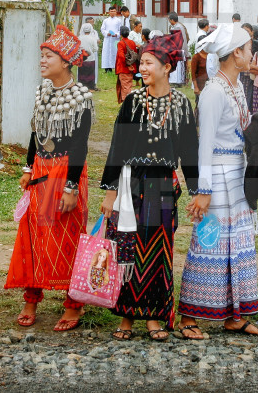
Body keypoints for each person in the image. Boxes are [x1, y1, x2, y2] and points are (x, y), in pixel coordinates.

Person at [100, 30, 199, 341]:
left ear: (167, 67)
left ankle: (154, 317)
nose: (141, 69)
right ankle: (126, 319)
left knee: (159, 250)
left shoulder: (182, 104)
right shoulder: (132, 101)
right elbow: (117, 148)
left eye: (147, 63)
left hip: (163, 186)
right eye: (140, 64)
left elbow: (190, 153)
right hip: (132, 183)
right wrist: (111, 191)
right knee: (127, 250)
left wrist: (197, 192)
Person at [178, 23, 258, 338]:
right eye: (249, 47)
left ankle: (234, 315)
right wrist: (203, 190)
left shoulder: (238, 85)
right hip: (217, 174)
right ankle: (189, 316)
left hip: (237, 175)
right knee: (210, 241)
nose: (253, 52)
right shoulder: (214, 91)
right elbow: (204, 143)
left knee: (237, 244)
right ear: (235, 53)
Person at [6, 25, 92, 332]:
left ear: (66, 62)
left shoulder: (80, 97)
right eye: (41, 56)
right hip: (41, 171)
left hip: (67, 171)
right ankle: (31, 298)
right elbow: (35, 132)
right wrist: (29, 168)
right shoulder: (43, 91)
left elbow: (80, 145)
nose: (42, 61)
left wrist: (71, 187)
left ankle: (73, 304)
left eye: (48, 56)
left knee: (68, 237)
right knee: (33, 236)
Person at [115, 26, 138, 103]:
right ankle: (126, 102)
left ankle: (127, 103)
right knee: (128, 85)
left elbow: (121, 56)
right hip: (131, 67)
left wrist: (126, 64)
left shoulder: (120, 43)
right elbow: (135, 54)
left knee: (125, 87)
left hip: (123, 67)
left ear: (121, 34)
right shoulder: (132, 42)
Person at [168, 13, 189, 86]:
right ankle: (181, 80)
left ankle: (179, 81)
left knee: (179, 66)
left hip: (179, 48)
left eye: (169, 19)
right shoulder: (180, 26)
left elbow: (175, 39)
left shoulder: (177, 27)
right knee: (181, 65)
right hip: (181, 48)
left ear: (172, 20)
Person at [100, 7, 123, 72]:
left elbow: (120, 29)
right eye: (111, 11)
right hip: (107, 39)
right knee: (107, 52)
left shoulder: (118, 21)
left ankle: (115, 67)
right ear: (109, 12)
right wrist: (107, 33)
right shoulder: (106, 21)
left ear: (116, 12)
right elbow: (102, 29)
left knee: (115, 52)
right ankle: (107, 68)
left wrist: (116, 34)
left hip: (115, 39)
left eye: (113, 11)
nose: (112, 12)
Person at [78, 23, 98, 90]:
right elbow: (96, 49)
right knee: (90, 73)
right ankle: (90, 87)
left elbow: (77, 48)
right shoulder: (92, 39)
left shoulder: (79, 38)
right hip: (91, 58)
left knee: (82, 73)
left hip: (82, 58)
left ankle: (81, 86)